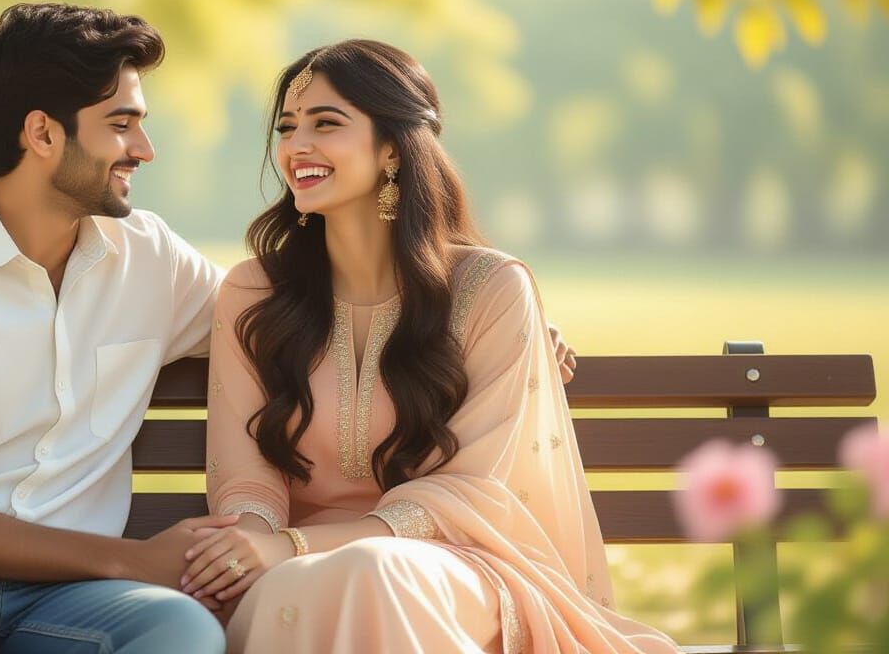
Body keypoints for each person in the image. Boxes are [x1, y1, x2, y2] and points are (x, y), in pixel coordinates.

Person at [0, 3, 580, 653]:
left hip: (70, 602)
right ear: (41, 134)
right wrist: (129, 559)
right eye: (123, 124)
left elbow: (288, 323)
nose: (147, 148)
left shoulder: (150, 261)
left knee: (181, 635)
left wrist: (494, 328)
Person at [187, 40, 680, 652]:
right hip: (291, 571)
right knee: (305, 587)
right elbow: (246, 475)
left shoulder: (491, 290)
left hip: (455, 563)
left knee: (369, 573)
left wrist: (292, 545)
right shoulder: (254, 293)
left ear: (392, 147)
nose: (296, 146)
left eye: (326, 124)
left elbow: (470, 488)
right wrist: (253, 540)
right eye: (287, 127)